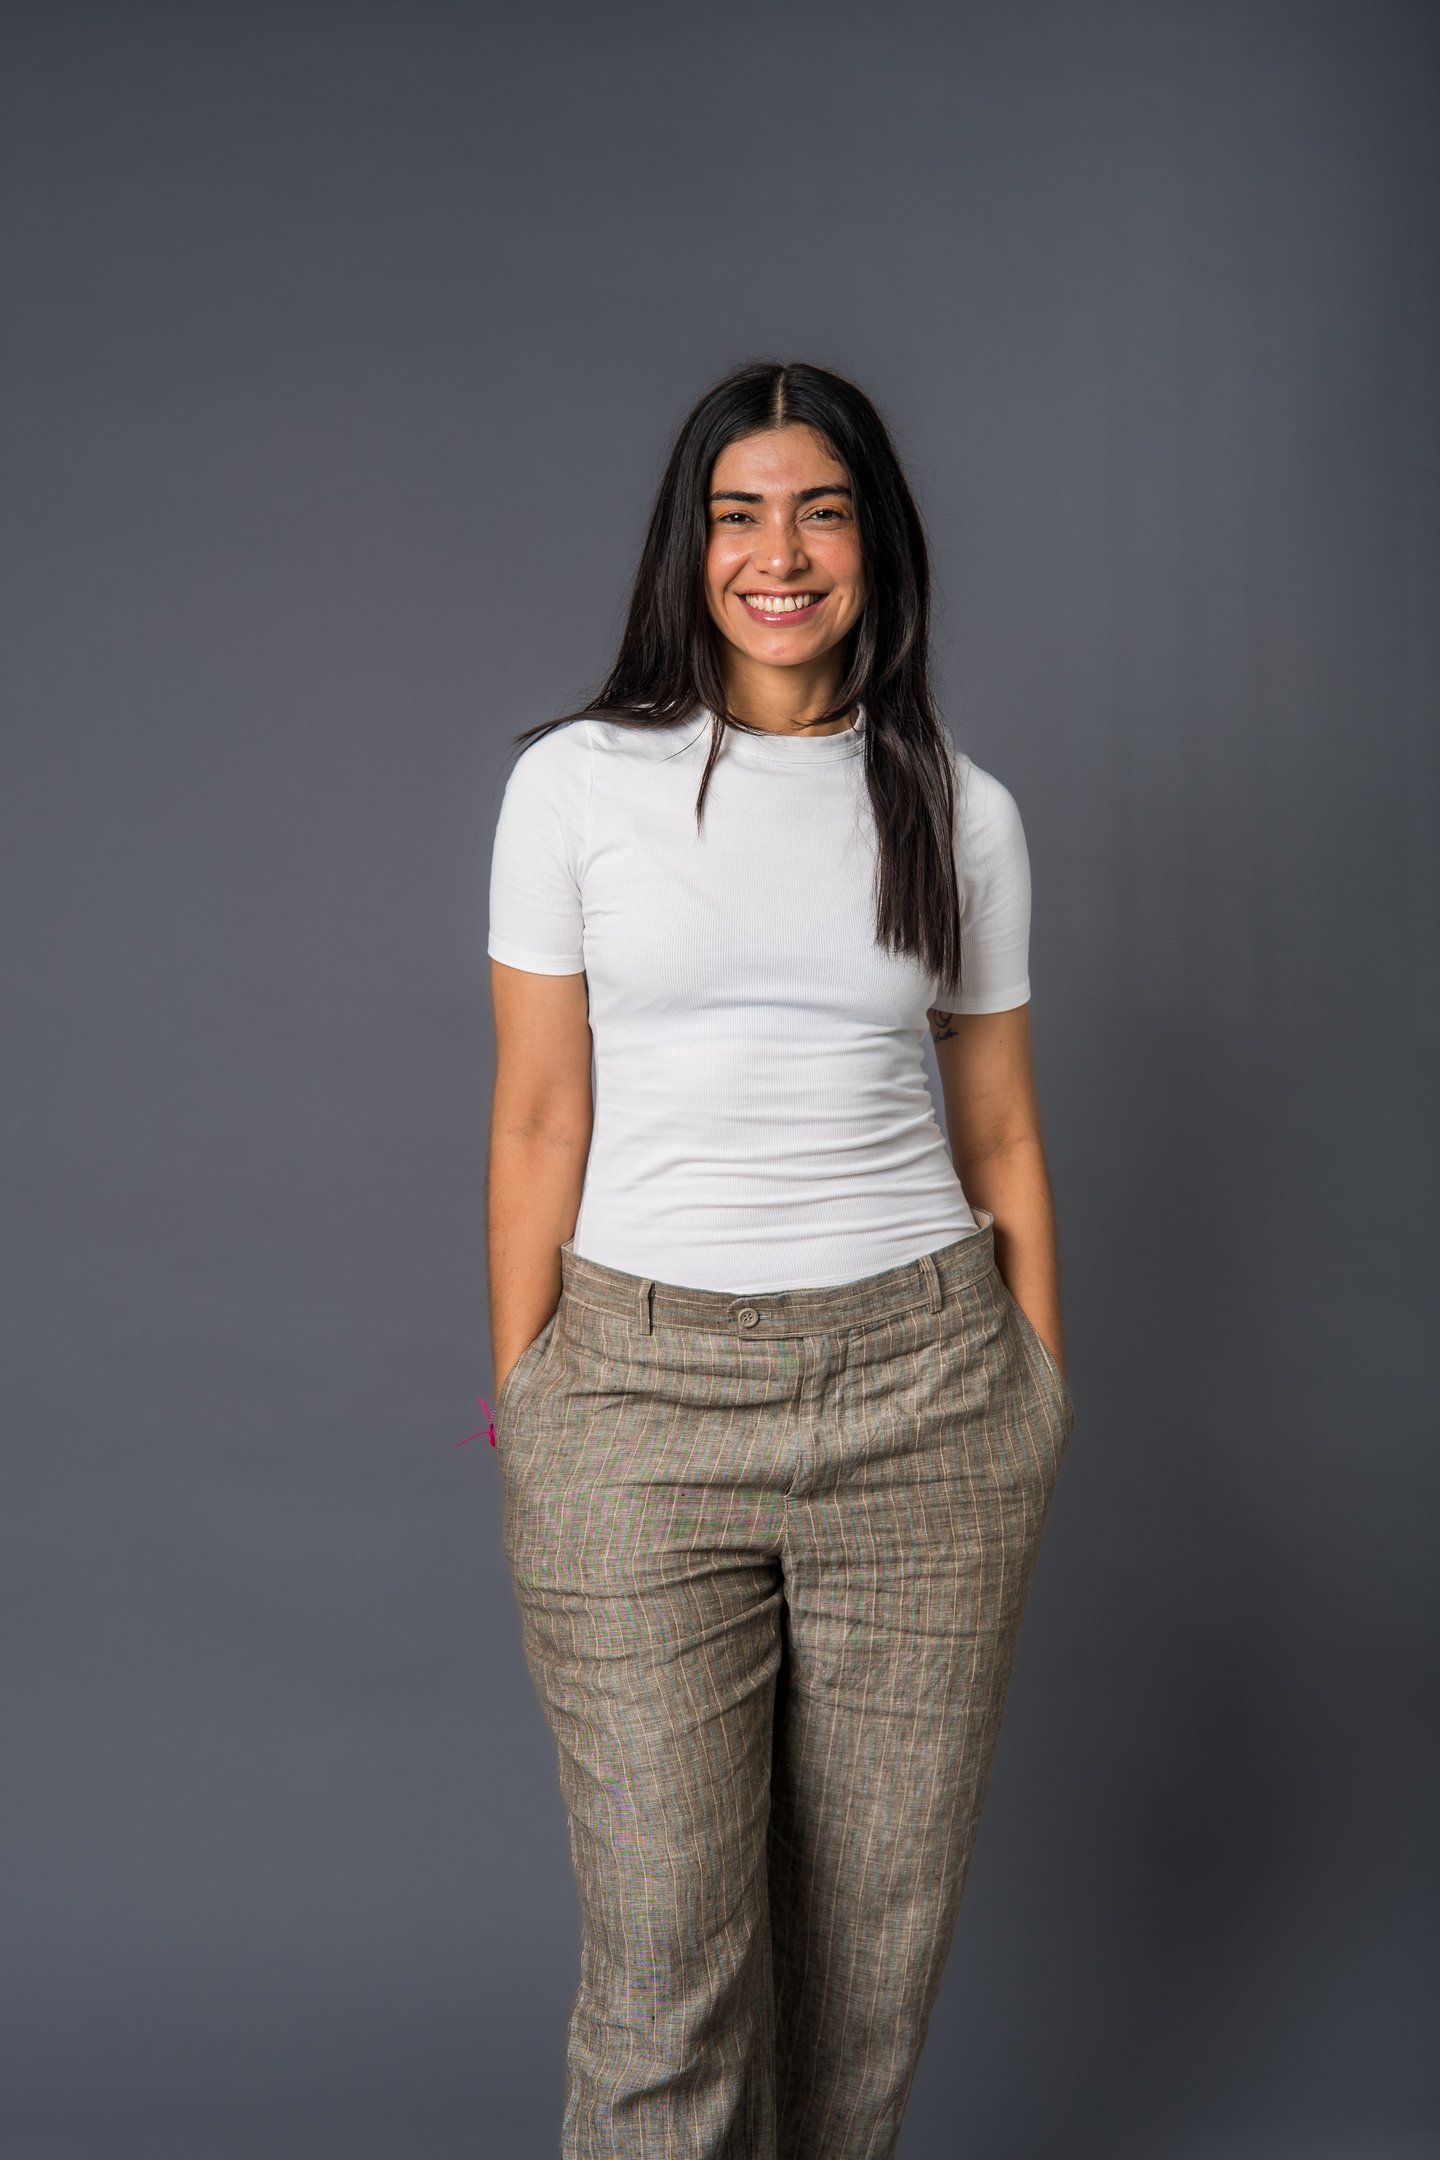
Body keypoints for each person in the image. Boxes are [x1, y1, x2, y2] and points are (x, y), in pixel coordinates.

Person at [484, 357, 1075, 2160]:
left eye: (821, 512)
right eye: (741, 516)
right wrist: (530, 1393)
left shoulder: (959, 807)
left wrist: (1037, 1394)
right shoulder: (577, 787)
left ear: (874, 543)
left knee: (865, 1982)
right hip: (636, 1404)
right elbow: (538, 1117)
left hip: (929, 1397)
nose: (781, 555)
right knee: (669, 1964)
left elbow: (1000, 1130)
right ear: (692, 546)